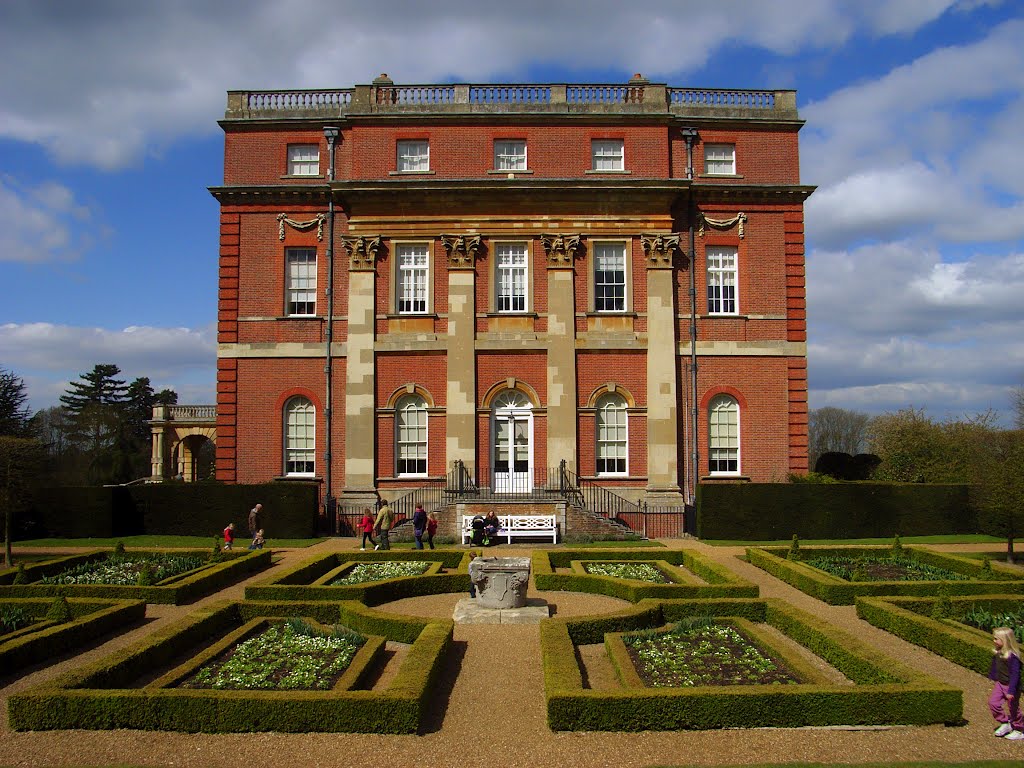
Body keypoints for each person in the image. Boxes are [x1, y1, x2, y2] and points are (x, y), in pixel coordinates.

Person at [989, 626, 1024, 739]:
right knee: (993, 703)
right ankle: (1005, 722)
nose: (994, 641)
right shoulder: (998, 652)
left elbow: (1015, 675)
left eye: (996, 639)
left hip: (1011, 686)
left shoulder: (1012, 657)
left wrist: (1011, 691)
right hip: (1001, 684)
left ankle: (1019, 729)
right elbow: (995, 666)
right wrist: (993, 676)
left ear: (1005, 641)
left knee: (1013, 708)